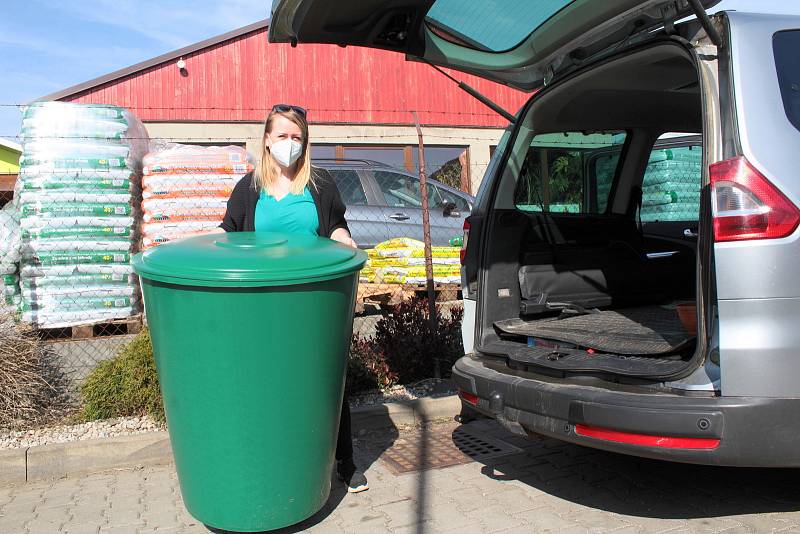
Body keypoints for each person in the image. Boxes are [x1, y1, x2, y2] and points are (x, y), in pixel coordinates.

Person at [219, 103, 367, 493]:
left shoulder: (319, 185)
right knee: (267, 383)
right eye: (282, 135)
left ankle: (344, 462)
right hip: (262, 305)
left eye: (297, 136)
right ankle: (270, 459)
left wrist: (343, 239)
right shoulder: (248, 190)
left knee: (326, 379)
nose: (290, 143)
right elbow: (228, 239)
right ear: (266, 140)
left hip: (311, 302)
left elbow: (335, 226)